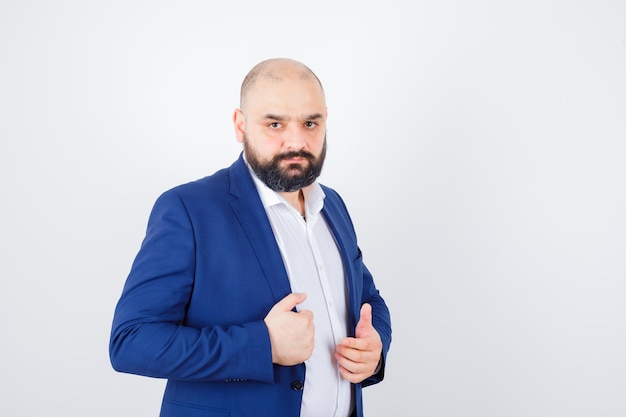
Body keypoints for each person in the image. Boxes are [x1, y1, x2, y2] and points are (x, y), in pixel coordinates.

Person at [109, 57, 392, 417]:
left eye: (310, 123)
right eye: (275, 123)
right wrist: (263, 345)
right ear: (240, 125)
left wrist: (376, 345)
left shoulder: (332, 205)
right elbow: (131, 342)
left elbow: (368, 298)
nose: (296, 140)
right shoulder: (188, 209)